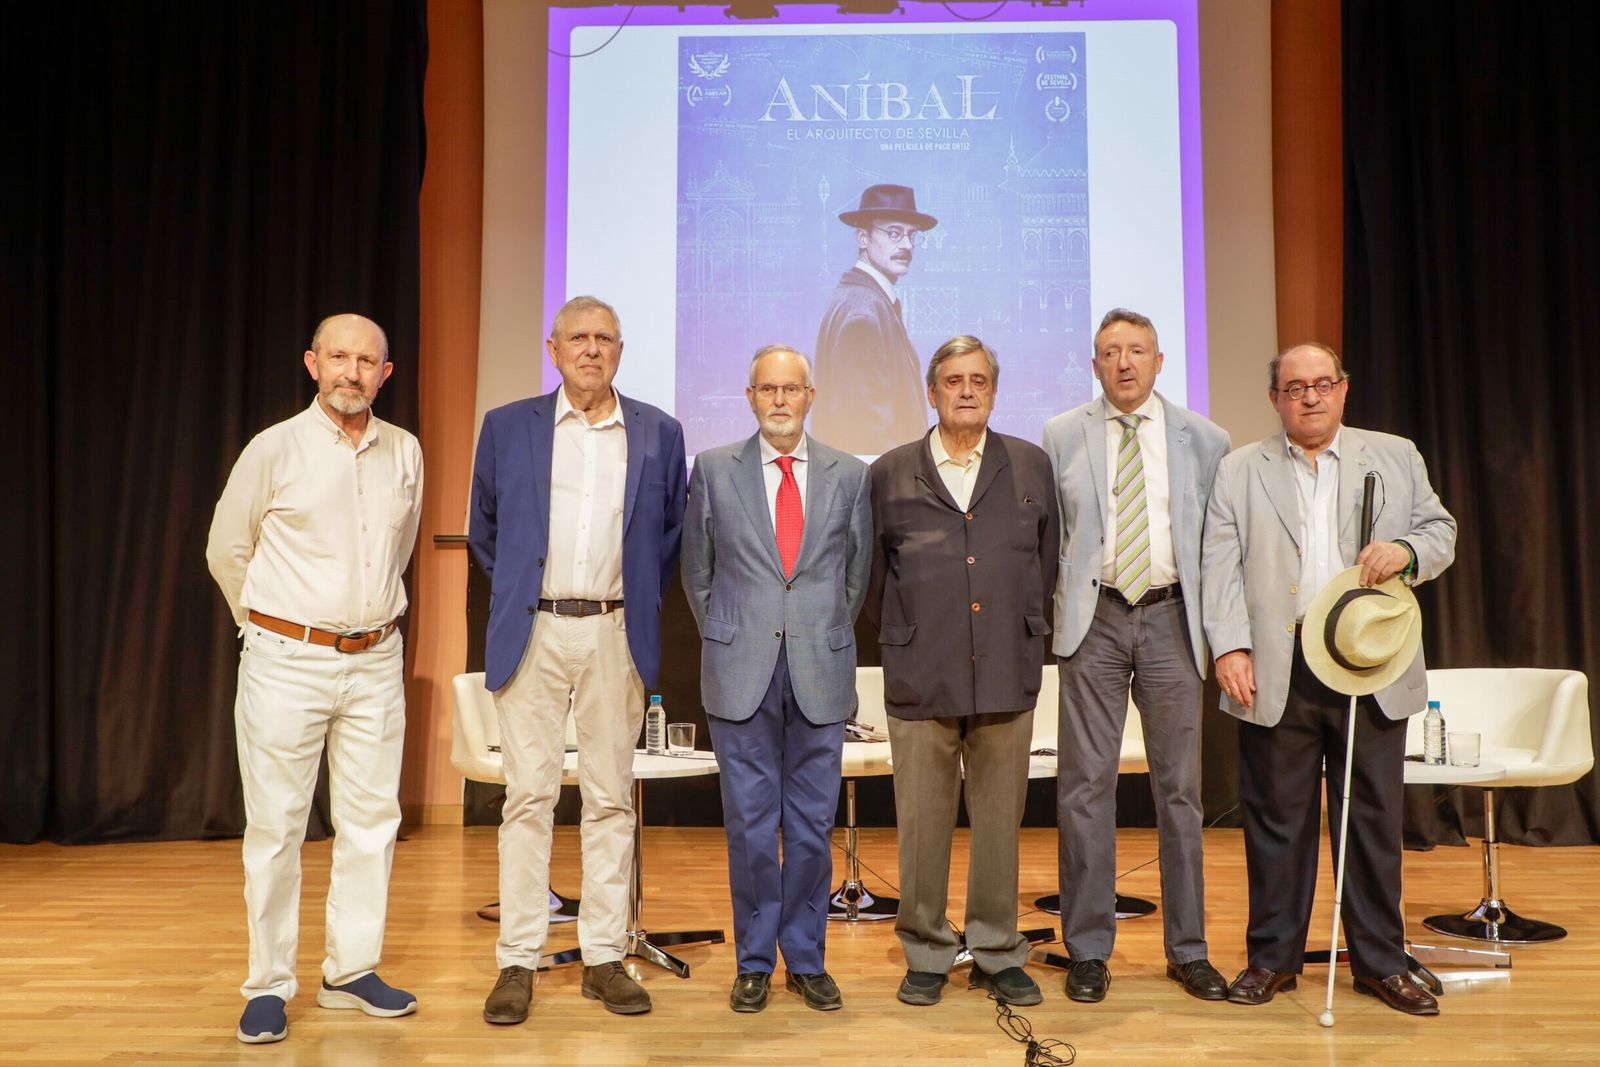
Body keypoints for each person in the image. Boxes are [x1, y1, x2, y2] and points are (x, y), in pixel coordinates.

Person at [1202, 342, 1456, 1016]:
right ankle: (1272, 958)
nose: (1309, 397)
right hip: (1277, 669)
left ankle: (1380, 960)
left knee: (1372, 820)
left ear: (1343, 389)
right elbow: (1219, 567)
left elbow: (1441, 529)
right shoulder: (1237, 470)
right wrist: (1229, 646)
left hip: (1369, 666)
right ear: (1275, 398)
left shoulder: (1394, 455)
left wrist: (1406, 551)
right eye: (1294, 387)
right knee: (1276, 823)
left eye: (1322, 384)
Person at [206, 313, 424, 1044]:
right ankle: (268, 983)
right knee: (276, 828)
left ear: (385, 374)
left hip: (376, 660)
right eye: (339, 357)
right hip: (286, 661)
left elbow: (399, 552)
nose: (351, 372)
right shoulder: (275, 448)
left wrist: (364, 625)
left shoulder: (405, 452)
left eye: (366, 361)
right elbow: (226, 548)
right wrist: (268, 626)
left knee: (371, 822)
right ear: (312, 362)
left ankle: (350, 970)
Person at [469, 296, 688, 1023]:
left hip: (614, 632)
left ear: (620, 351)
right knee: (527, 798)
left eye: (604, 339)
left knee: (610, 797)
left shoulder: (659, 431)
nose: (591, 350)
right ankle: (518, 960)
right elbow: (486, 533)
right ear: (553, 348)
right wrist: (533, 596)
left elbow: (667, 538)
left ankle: (603, 955)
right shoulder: (507, 426)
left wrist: (619, 606)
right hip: (533, 630)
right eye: (577, 339)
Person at [1040, 308, 1231, 1004]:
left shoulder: (1206, 438)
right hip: (1094, 623)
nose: (1124, 362)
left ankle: (1188, 949)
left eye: (1137, 351)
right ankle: (1087, 948)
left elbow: (1217, 544)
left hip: (1173, 619)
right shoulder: (1062, 434)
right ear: (1094, 365)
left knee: (1178, 792)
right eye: (1110, 352)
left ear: (1159, 361)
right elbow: (1050, 539)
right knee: (1084, 788)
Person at [867, 335, 1059, 1007]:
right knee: (921, 822)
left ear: (994, 390)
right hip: (922, 671)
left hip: (1006, 666)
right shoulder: (890, 471)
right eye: (954, 380)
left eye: (979, 379)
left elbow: (1046, 561)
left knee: (1001, 820)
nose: (967, 390)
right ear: (932, 390)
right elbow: (873, 576)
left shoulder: (1031, 465)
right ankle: (925, 946)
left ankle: (998, 949)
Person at [681, 345, 872, 1014]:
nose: (781, 399)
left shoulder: (850, 475)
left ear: (811, 395)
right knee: (753, 826)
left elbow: (855, 576)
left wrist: (812, 629)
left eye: (792, 388)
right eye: (768, 388)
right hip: (741, 668)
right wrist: (740, 629)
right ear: (751, 396)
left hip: (820, 663)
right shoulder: (711, 469)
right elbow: (696, 573)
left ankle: (809, 958)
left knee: (814, 826)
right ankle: (756, 960)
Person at [811, 183, 937, 455]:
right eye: (894, 233)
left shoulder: (864, 299)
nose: (906, 245)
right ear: (862, 239)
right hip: (880, 489)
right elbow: (866, 434)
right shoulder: (863, 315)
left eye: (911, 236)